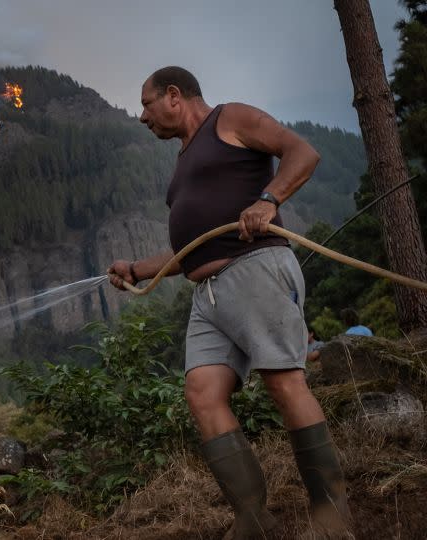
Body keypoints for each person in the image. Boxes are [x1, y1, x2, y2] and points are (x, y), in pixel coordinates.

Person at [108, 66, 351, 538]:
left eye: (146, 103)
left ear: (173, 95)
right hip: (208, 296)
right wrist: (136, 269)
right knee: (202, 394)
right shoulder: (182, 164)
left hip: (254, 268)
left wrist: (268, 200)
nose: (142, 116)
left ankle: (332, 516)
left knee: (283, 384)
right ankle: (253, 519)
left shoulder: (231, 119)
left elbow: (303, 152)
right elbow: (191, 248)